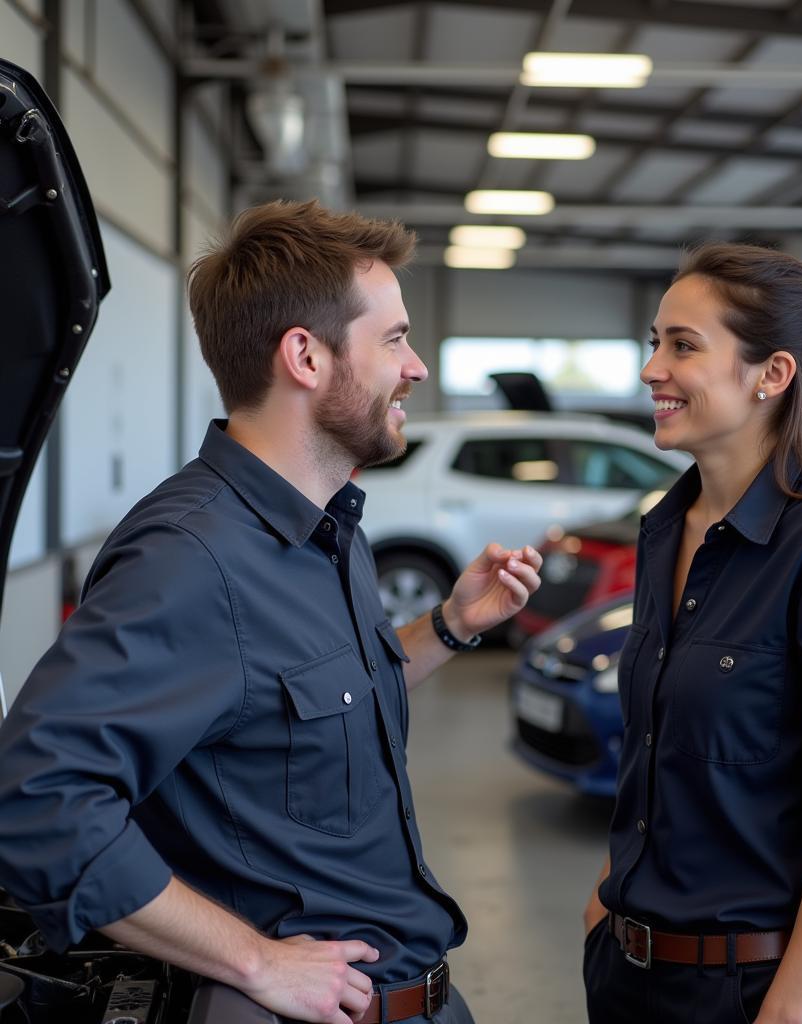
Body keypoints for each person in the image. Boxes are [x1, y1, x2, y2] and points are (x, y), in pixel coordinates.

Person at [0, 200, 542, 1024]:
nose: (418, 365)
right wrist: (253, 960)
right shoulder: (190, 558)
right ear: (306, 356)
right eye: (394, 339)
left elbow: (316, 700)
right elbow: (38, 799)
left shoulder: (330, 526)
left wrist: (449, 626)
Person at [581, 244, 802, 1024]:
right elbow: (654, 752)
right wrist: (607, 905)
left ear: (772, 376)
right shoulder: (669, 528)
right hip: (634, 978)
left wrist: (789, 1012)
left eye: (683, 345)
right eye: (654, 342)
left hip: (763, 996)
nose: (652, 369)